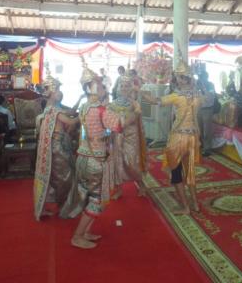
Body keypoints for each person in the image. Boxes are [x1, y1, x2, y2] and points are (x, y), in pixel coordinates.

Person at [68, 61, 121, 250]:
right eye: (99, 84)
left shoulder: (84, 107)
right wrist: (133, 113)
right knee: (96, 200)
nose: (103, 86)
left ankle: (85, 232)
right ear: (90, 88)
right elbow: (118, 125)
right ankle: (77, 236)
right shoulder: (101, 109)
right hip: (96, 160)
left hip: (84, 156)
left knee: (90, 197)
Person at [142, 61, 201, 215]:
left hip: (179, 137)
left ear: (181, 79)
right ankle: (195, 204)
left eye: (177, 77)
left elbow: (154, 101)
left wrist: (140, 90)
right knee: (190, 172)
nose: (176, 80)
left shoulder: (176, 96)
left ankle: (185, 207)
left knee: (175, 172)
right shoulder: (197, 95)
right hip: (193, 137)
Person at [33, 73, 80, 221]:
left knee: (61, 176)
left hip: (57, 145)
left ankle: (63, 204)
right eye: (58, 89)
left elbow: (70, 113)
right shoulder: (54, 110)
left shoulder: (51, 107)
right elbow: (71, 121)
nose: (60, 92)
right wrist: (84, 113)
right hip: (57, 147)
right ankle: (64, 207)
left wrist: (80, 101)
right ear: (51, 93)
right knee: (64, 178)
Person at [104, 69, 147, 198]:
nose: (124, 88)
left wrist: (125, 120)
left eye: (127, 86)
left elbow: (136, 116)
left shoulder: (135, 104)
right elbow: (108, 119)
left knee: (131, 162)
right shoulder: (112, 104)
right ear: (118, 87)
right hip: (117, 136)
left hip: (131, 136)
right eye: (121, 86)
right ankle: (118, 189)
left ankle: (141, 184)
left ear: (130, 88)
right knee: (117, 162)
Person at [196, 71, 216, 156]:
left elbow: (210, 98)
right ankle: (202, 145)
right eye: (200, 77)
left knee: (207, 131)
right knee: (199, 129)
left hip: (207, 110)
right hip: (199, 109)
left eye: (202, 77)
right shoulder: (197, 85)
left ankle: (207, 149)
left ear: (206, 77)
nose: (200, 79)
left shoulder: (210, 85)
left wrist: (203, 88)